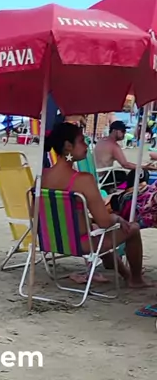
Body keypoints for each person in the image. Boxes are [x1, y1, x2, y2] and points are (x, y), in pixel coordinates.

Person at [42, 122, 151, 288]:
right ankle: (136, 280)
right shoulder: (83, 180)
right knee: (132, 228)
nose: (87, 145)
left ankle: (124, 273)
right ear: (68, 146)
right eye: (81, 141)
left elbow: (35, 213)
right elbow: (105, 222)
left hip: (51, 241)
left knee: (94, 228)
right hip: (80, 244)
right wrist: (117, 218)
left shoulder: (42, 176)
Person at [95, 120, 152, 189]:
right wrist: (144, 167)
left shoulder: (101, 140)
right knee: (140, 173)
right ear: (114, 131)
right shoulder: (113, 146)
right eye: (123, 131)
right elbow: (125, 165)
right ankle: (131, 191)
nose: (124, 133)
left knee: (122, 173)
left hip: (95, 174)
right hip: (103, 178)